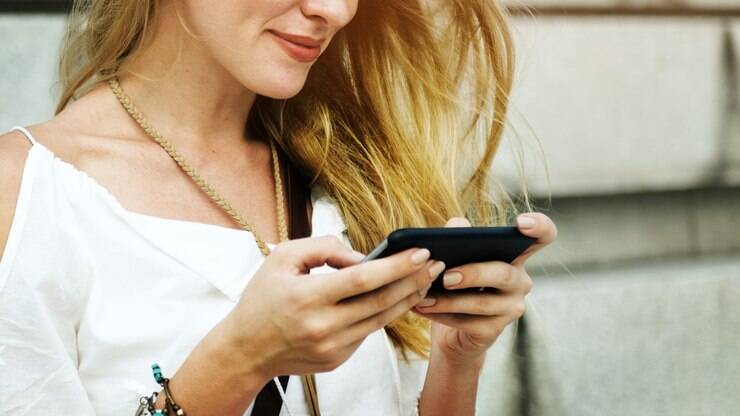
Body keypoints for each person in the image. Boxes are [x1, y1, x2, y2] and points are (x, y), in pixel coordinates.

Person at [0, 0, 557, 415]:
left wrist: (457, 361)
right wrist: (238, 361)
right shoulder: (27, 193)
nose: (334, 10)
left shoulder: (347, 177)